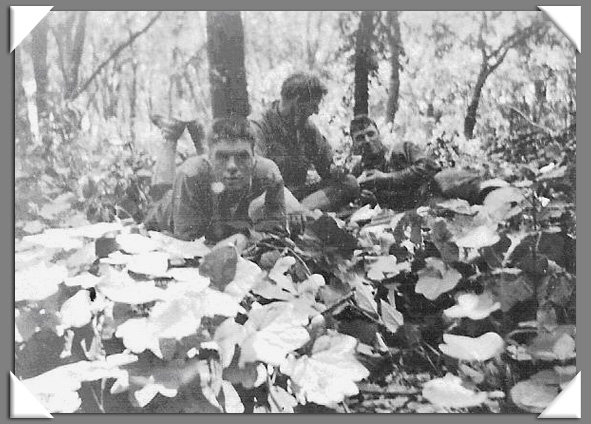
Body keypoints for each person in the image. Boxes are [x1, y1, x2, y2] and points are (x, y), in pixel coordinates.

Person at [143, 115, 287, 248]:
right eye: (222, 157)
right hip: (169, 212)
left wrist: (246, 237)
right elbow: (188, 244)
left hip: (215, 217)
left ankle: (196, 131)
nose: (232, 166)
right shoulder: (190, 174)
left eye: (242, 157)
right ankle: (171, 135)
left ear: (254, 157)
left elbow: (277, 236)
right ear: (209, 157)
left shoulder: (268, 174)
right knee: (161, 192)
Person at [252, 72, 359, 212]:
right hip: (270, 197)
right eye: (314, 105)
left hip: (300, 197)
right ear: (297, 102)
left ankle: (299, 213)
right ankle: (294, 213)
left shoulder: (308, 128)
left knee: (350, 183)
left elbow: (327, 167)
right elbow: (255, 173)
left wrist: (337, 169)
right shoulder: (259, 125)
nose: (316, 111)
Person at [350, 115, 496, 210]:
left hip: (430, 195)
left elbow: (429, 167)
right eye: (360, 138)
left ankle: (494, 194)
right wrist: (369, 199)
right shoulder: (358, 172)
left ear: (378, 135)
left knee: (444, 180)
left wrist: (386, 178)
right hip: (408, 214)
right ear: (354, 144)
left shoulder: (401, 149)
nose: (367, 141)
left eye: (370, 134)